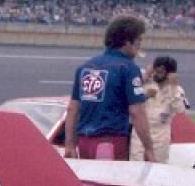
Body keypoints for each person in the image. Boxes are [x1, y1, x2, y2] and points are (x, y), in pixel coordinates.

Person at [63, 15, 155, 161]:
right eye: (139, 40)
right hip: (110, 141)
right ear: (127, 41)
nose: (140, 45)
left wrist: (69, 145)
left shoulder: (86, 67)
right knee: (109, 177)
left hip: (84, 142)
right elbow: (137, 112)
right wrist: (149, 148)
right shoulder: (128, 68)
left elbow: (73, 109)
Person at [130, 56, 188, 163]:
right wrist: (145, 81)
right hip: (140, 134)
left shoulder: (177, 90)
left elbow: (181, 110)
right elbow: (129, 99)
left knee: (158, 168)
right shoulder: (145, 84)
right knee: (136, 165)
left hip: (161, 137)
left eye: (161, 72)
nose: (157, 74)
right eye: (156, 71)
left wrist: (173, 88)